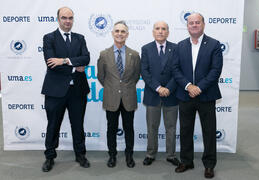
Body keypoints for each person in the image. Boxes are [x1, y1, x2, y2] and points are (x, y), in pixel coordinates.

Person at [173, 13, 223, 178]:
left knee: (209, 131)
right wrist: (188, 86)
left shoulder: (214, 45)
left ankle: (209, 165)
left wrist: (198, 87)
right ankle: (186, 161)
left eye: (197, 22)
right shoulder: (179, 46)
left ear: (203, 24)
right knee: (185, 130)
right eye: (191, 23)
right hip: (185, 95)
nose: (194, 25)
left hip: (206, 95)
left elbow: (215, 70)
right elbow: (175, 69)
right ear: (187, 26)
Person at [41, 7, 90, 172]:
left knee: (78, 124)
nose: (67, 21)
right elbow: (51, 63)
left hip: (78, 90)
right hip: (55, 91)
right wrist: (75, 66)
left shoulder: (80, 38)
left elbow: (86, 58)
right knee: (53, 125)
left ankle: (80, 154)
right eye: (64, 18)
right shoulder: (49, 38)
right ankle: (49, 156)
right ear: (58, 19)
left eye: (70, 18)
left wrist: (64, 60)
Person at [97, 21, 140, 168]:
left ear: (127, 34)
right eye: (117, 31)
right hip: (111, 98)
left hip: (128, 97)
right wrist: (113, 87)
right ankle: (112, 156)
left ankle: (129, 156)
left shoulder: (134, 54)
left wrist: (124, 87)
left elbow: (136, 76)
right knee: (111, 129)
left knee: (129, 128)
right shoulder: (104, 54)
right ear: (112, 33)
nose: (120, 34)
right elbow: (101, 76)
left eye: (123, 31)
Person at [141, 21, 179, 166]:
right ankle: (150, 154)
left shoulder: (176, 48)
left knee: (171, 127)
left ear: (168, 32)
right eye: (157, 29)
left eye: (163, 29)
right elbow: (144, 72)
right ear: (153, 32)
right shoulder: (146, 48)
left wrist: (168, 88)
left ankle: (171, 155)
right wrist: (158, 88)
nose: (160, 31)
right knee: (152, 127)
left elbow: (178, 71)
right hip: (153, 94)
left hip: (172, 94)